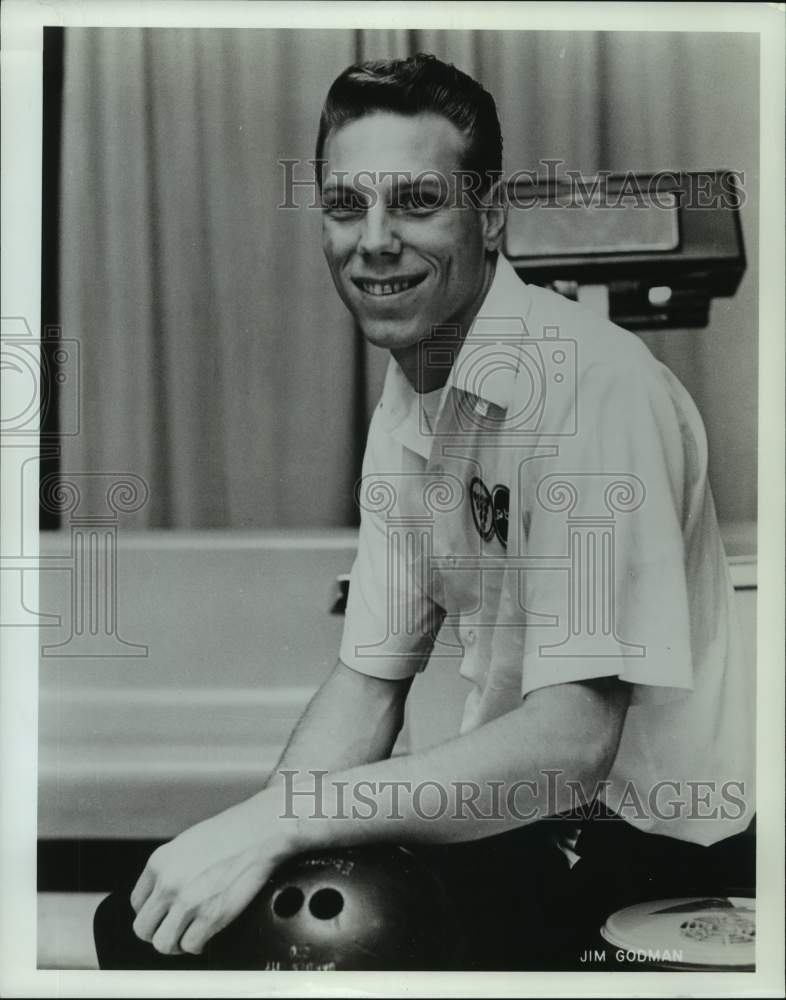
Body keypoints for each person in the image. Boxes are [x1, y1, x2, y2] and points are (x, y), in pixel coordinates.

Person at [94, 53, 754, 971]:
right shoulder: (410, 408)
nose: (373, 240)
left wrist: (284, 823)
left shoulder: (595, 391)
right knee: (156, 929)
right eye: (343, 206)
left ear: (490, 216)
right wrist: (254, 842)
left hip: (651, 858)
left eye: (414, 201)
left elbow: (570, 745)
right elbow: (368, 683)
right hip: (517, 838)